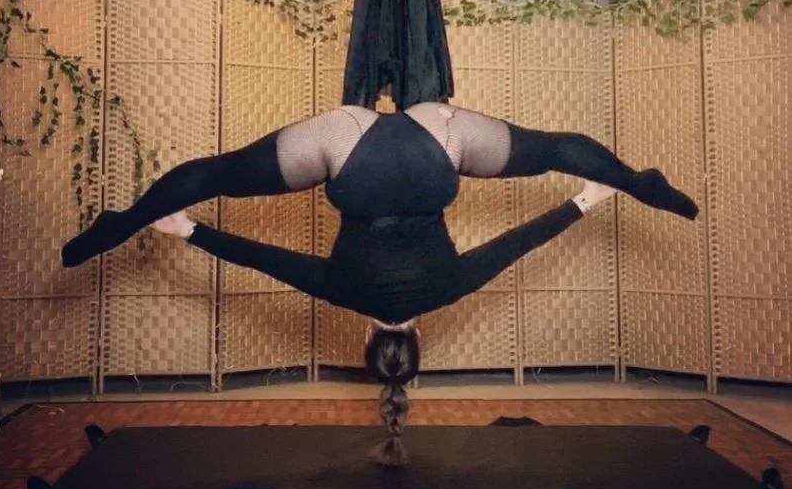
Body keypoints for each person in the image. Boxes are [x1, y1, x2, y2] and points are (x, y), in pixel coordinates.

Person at [61, 101, 697, 464]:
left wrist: (587, 199)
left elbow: (514, 245)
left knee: (557, 148)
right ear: (367, 337)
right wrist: (188, 230)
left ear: (416, 338)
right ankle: (129, 221)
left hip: (438, 142)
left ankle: (633, 182)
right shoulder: (347, 291)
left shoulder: (445, 289)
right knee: (215, 175)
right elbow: (268, 260)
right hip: (349, 148)